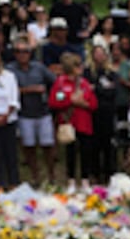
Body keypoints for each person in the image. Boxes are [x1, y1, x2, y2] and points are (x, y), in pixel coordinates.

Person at [8, 37, 55, 187]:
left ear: (30, 53)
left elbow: (54, 81)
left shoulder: (39, 67)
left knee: (48, 145)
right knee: (29, 147)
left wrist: (53, 97)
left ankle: (51, 175)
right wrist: (29, 90)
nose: (22, 54)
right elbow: (9, 91)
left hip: (43, 111)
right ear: (14, 54)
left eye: (25, 51)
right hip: (24, 114)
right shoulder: (9, 70)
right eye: (18, 51)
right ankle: (35, 175)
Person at [49, 52, 97, 189]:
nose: (81, 68)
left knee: (86, 152)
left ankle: (85, 180)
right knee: (70, 152)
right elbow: (54, 102)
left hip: (84, 123)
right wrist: (70, 101)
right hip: (69, 122)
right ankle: (70, 180)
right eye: (78, 66)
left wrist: (83, 104)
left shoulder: (84, 83)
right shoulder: (60, 83)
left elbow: (93, 104)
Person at [0, 44, 21, 189]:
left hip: (8, 119)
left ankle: (14, 183)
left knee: (11, 153)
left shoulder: (9, 76)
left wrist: (6, 114)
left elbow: (14, 97)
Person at [85, 44, 119, 182]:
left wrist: (97, 89)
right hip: (92, 113)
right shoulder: (88, 73)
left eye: (101, 53)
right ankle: (95, 173)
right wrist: (102, 89)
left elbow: (113, 92)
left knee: (108, 145)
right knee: (94, 145)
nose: (99, 56)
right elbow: (87, 90)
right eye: (96, 53)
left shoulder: (112, 73)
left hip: (108, 112)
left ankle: (110, 173)